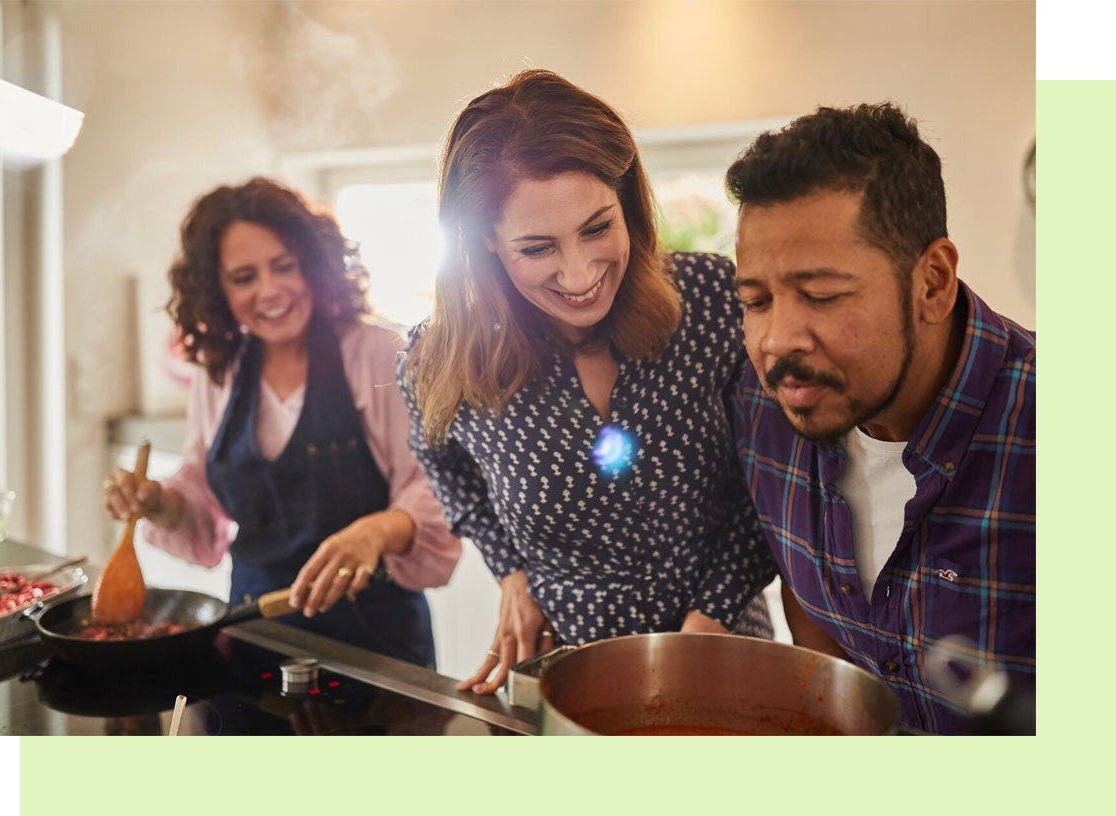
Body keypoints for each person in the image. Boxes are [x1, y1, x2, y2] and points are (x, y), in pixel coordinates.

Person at [400, 69, 777, 694]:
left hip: (724, 649)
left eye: (598, 228)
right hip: (565, 671)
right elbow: (442, 464)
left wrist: (707, 621)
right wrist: (512, 573)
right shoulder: (439, 361)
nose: (579, 276)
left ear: (627, 201)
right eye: (537, 248)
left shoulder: (714, 302)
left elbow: (774, 487)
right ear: (485, 242)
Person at [725, 103, 1035, 734]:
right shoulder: (766, 412)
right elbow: (809, 598)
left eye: (821, 295)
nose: (778, 341)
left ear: (933, 282)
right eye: (756, 301)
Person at [101, 178, 461, 668]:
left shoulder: (378, 354)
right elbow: (205, 506)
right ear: (218, 290)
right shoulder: (219, 372)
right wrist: (158, 503)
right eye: (244, 277)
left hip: (378, 642)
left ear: (314, 265)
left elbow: (430, 487)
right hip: (253, 634)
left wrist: (376, 532)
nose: (269, 291)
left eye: (284, 266)